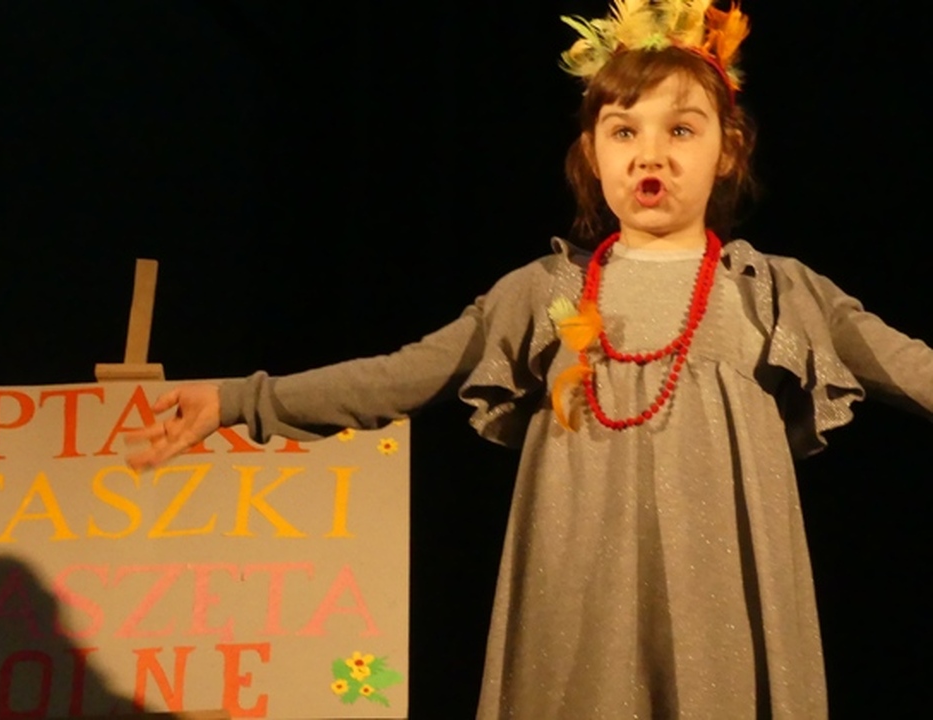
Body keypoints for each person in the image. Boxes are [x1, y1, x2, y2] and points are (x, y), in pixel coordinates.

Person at [126, 2, 933, 717]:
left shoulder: (777, 292)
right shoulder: (543, 292)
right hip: (579, 598)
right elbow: (399, 376)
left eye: (681, 130)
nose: (649, 154)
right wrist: (238, 400)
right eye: (624, 131)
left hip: (722, 602)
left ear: (729, 149)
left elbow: (913, 368)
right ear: (591, 151)